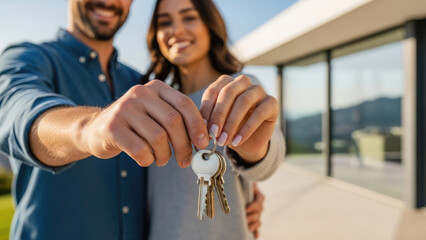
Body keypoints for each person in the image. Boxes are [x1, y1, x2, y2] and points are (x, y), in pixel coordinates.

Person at [0, 0, 216, 239]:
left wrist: (241, 190)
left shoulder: (140, 84)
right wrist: (90, 129)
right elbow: (15, 110)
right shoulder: (27, 58)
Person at [142, 0, 285, 239]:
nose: (176, 29)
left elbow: (270, 157)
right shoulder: (154, 103)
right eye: (165, 22)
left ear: (210, 26)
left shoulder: (238, 88)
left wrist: (253, 150)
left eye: (189, 17)